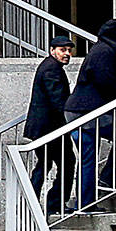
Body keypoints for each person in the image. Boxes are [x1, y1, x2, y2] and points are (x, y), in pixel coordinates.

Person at [63, 18, 116, 208]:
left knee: (87, 158)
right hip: (91, 111)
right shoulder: (106, 52)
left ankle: (85, 204)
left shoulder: (99, 49)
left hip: (76, 111)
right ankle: (108, 179)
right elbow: (105, 81)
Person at [24, 34, 75, 214]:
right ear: (52, 50)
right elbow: (58, 101)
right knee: (67, 162)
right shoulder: (51, 69)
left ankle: (31, 202)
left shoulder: (51, 67)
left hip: (46, 128)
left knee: (45, 165)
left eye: (69, 51)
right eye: (62, 50)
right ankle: (54, 203)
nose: (67, 54)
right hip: (51, 128)